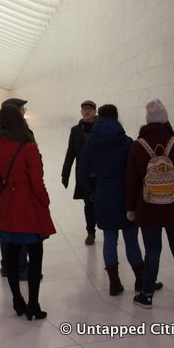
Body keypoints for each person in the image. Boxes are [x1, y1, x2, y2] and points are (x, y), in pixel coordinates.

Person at [78, 104, 161, 296]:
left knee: (109, 238)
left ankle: (114, 284)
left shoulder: (90, 143)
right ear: (117, 117)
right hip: (126, 195)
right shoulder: (126, 142)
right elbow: (138, 170)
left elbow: (82, 173)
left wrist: (93, 189)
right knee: (131, 239)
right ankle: (141, 281)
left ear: (99, 117)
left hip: (103, 195)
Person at [126, 99, 174, 309]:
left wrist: (130, 208)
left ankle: (146, 296)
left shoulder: (138, 146)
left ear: (147, 121)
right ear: (166, 120)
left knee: (152, 251)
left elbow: (131, 182)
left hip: (148, 208)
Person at [0, 104, 56, 320]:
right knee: (35, 257)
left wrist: (5, 195)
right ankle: (33, 305)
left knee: (11, 258)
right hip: (30, 209)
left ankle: (17, 301)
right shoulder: (29, 147)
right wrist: (45, 202)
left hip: (8, 208)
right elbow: (37, 182)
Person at [0, 98, 30, 278]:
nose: (24, 111)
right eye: (22, 109)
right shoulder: (24, 133)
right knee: (23, 227)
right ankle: (20, 266)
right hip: (22, 189)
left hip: (3, 189)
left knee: (6, 228)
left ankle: (7, 265)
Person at [62, 100, 98, 245]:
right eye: (84, 109)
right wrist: (65, 173)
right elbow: (71, 152)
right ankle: (91, 232)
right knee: (88, 204)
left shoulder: (101, 127)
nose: (86, 111)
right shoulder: (75, 130)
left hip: (101, 173)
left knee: (101, 202)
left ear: (95, 111)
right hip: (84, 174)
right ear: (81, 112)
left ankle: (107, 230)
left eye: (89, 109)